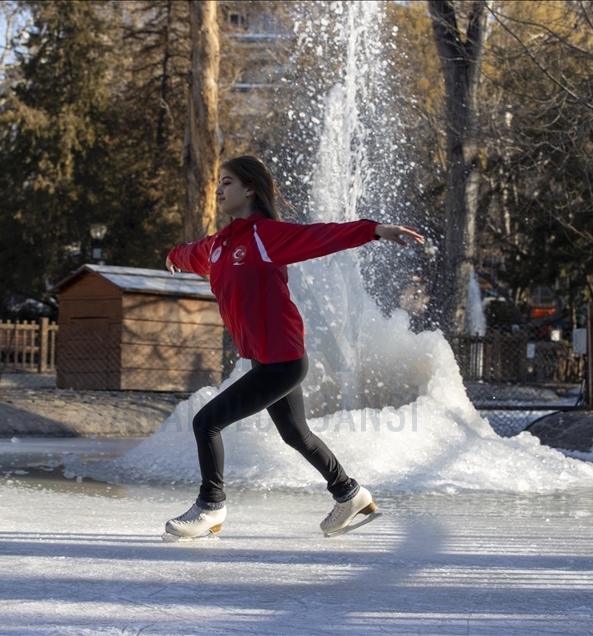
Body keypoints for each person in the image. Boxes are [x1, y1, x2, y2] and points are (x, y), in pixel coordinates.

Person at [163, 155, 425, 539]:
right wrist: (173, 256)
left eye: (228, 182)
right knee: (295, 434)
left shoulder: (265, 236)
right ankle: (348, 493)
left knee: (206, 422)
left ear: (250, 189)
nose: (219, 189)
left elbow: (322, 236)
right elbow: (191, 254)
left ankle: (211, 507)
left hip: (282, 362)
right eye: (218, 182)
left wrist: (373, 230)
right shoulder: (219, 245)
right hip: (265, 361)